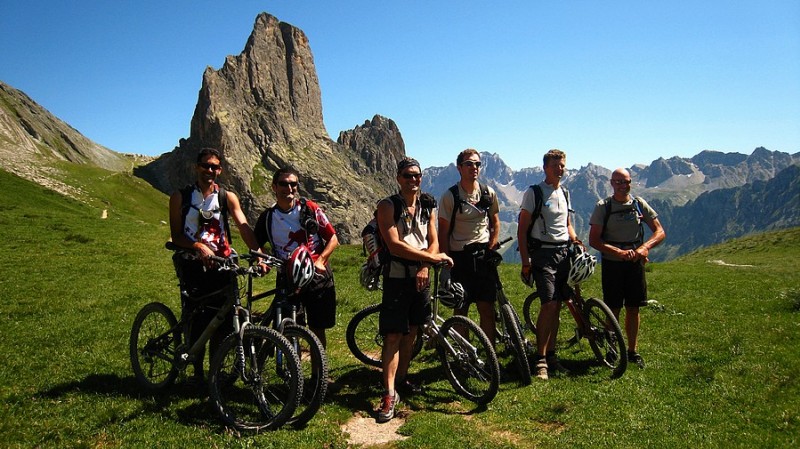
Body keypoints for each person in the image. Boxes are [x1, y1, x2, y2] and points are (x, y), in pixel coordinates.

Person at [168, 147, 264, 386]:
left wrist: (259, 254)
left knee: (222, 320)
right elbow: (176, 236)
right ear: (197, 167)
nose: (209, 170)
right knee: (198, 318)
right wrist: (197, 246)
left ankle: (214, 374)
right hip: (192, 265)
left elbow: (243, 225)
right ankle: (196, 373)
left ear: (220, 170)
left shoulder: (226, 197)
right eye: (205, 165)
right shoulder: (180, 197)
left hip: (222, 265)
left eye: (214, 167)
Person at [375, 157, 453, 423]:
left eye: (417, 175)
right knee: (394, 335)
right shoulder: (387, 206)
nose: (413, 180)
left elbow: (434, 239)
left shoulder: (427, 205)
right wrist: (431, 260)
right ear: (398, 178)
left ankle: (402, 379)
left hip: (421, 277)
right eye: (408, 175)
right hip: (396, 278)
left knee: (414, 333)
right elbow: (394, 245)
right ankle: (388, 393)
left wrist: (424, 265)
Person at [254, 166, 339, 348]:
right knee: (291, 326)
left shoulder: (310, 209)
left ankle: (318, 374)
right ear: (274, 187)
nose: (289, 188)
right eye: (284, 184)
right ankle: (294, 371)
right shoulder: (267, 218)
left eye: (293, 184)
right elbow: (257, 244)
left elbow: (332, 237)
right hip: (287, 277)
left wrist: (321, 260)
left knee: (318, 329)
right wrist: (261, 259)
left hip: (316, 275)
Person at [589, 168, 666, 369]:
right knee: (613, 308)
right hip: (613, 264)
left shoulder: (639, 204)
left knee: (633, 307)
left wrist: (644, 248)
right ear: (611, 183)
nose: (623, 186)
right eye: (619, 182)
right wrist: (618, 252)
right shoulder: (603, 207)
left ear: (631, 182)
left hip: (634, 263)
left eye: (626, 182)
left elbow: (659, 231)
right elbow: (594, 240)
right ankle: (612, 350)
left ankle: (632, 351)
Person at [517, 149, 580, 380]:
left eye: (562, 165)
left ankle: (552, 356)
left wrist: (575, 239)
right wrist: (526, 263)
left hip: (564, 252)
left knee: (559, 305)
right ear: (545, 167)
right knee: (549, 305)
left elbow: (567, 223)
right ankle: (540, 360)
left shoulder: (564, 191)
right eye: (555, 165)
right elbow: (522, 230)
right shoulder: (534, 193)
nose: (560, 169)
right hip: (543, 254)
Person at [438, 149, 500, 344]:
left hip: (483, 256)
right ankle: (465, 357)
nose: (474, 167)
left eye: (477, 164)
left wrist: (491, 246)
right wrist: (447, 264)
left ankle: (490, 358)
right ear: (459, 168)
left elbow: (495, 223)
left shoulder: (488, 193)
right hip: (460, 258)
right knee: (461, 309)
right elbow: (443, 233)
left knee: (487, 308)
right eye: (469, 164)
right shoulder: (450, 196)